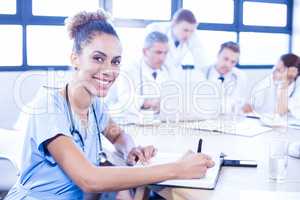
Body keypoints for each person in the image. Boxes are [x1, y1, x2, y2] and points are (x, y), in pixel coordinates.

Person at [5, 9, 214, 200]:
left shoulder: (94, 106)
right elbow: (89, 179)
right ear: (75, 58)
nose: (109, 70)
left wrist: (131, 149)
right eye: (98, 58)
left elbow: (117, 135)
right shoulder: (50, 107)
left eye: (115, 61)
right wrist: (177, 168)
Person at [110, 31, 171, 121]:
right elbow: (125, 98)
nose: (162, 58)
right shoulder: (129, 69)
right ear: (145, 51)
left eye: (165, 53)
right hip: (127, 121)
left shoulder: (168, 71)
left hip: (156, 121)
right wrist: (147, 102)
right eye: (158, 52)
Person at [146, 9, 207, 78]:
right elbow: (151, 58)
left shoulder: (192, 35)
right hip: (150, 74)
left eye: (192, 31)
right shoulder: (155, 29)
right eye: (185, 30)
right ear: (173, 24)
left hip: (170, 77)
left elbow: (202, 60)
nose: (188, 35)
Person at [246, 53, 300, 119]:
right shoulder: (268, 81)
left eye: (278, 70)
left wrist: (285, 82)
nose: (273, 72)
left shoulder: (296, 87)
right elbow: (249, 106)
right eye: (275, 67)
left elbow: (281, 111)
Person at [202, 41, 248, 114]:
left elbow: (241, 105)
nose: (228, 65)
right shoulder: (203, 73)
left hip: (231, 120)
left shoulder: (240, 76)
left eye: (233, 62)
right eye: (225, 59)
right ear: (218, 55)